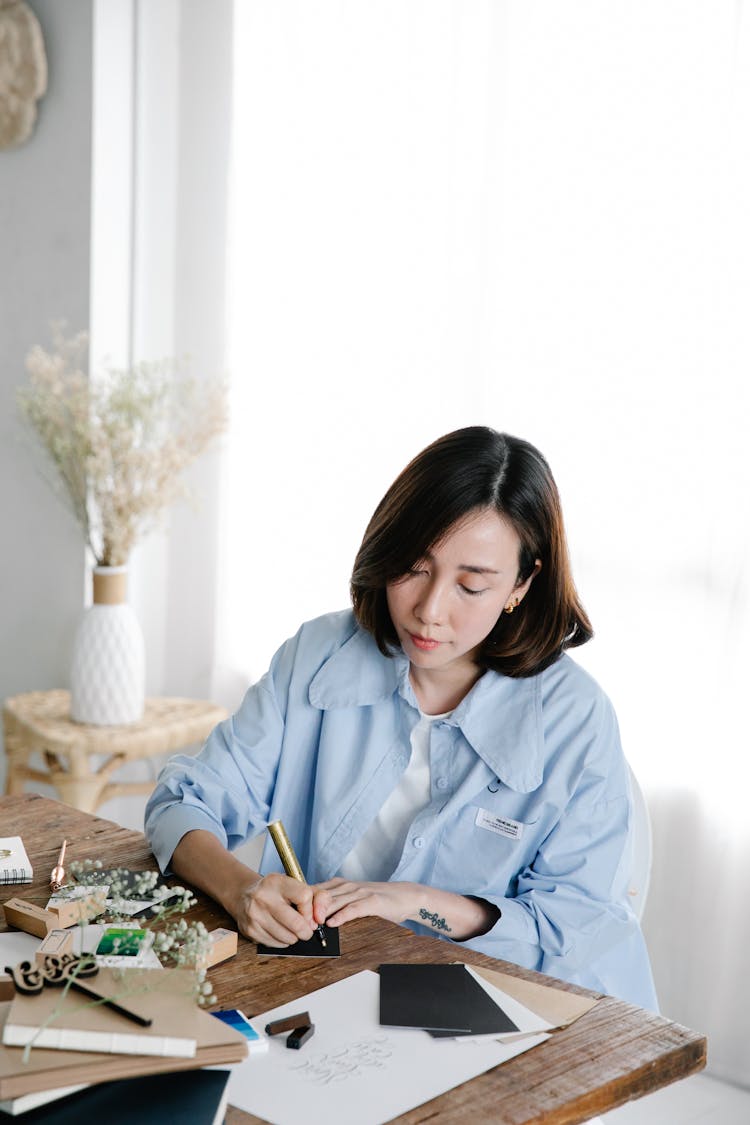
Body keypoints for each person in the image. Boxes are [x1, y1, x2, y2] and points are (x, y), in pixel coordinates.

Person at [145, 426, 657, 1010]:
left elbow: (578, 925)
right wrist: (244, 890)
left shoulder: (575, 717)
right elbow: (181, 803)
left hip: (496, 1002)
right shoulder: (319, 654)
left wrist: (407, 902)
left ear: (522, 583)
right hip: (332, 987)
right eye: (414, 568)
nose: (429, 611)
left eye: (471, 585)